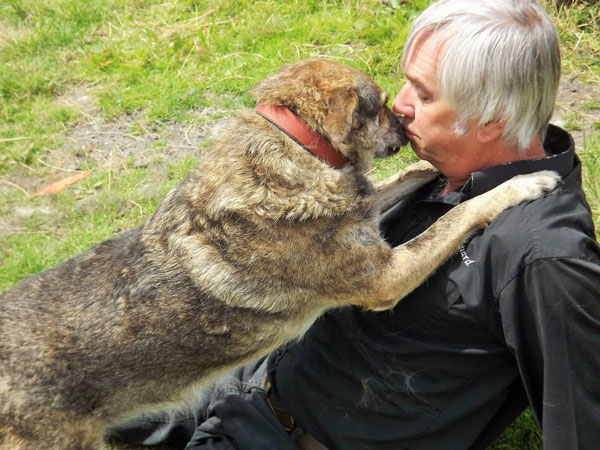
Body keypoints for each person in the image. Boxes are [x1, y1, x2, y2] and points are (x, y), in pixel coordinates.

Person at [109, 0, 600, 449]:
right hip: (245, 372)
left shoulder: (545, 257)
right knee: (52, 375)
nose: (401, 104)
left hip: (278, 437)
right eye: (406, 81)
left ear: (491, 118)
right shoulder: (441, 170)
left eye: (425, 95)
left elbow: (582, 421)